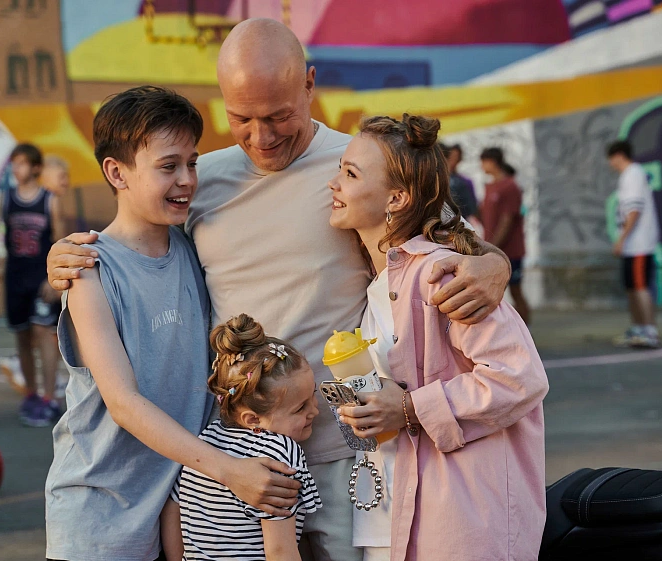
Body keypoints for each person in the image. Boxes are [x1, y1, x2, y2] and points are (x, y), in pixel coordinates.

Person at [46, 18, 512, 561]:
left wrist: (496, 266)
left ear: (309, 84)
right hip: (236, 461)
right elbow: (138, 231)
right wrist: (66, 257)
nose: (261, 136)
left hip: (343, 448)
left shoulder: (360, 169)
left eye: (278, 116)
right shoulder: (200, 179)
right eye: (241, 118)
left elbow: (458, 240)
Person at [44, 86, 303, 561]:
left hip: (180, 512)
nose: (186, 180)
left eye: (192, 163)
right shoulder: (87, 270)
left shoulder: (191, 246)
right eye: (168, 167)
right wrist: (230, 471)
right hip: (101, 517)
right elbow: (123, 404)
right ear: (116, 172)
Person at [330, 113, 549, 560]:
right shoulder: (380, 281)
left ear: (397, 197)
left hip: (457, 523)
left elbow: (518, 377)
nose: (333, 184)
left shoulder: (440, 275)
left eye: (350, 174)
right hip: (387, 519)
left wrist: (410, 408)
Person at [165, 314, 322, 561]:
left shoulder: (204, 442)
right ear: (252, 419)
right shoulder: (279, 451)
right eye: (300, 408)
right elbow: (280, 551)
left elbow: (173, 509)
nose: (315, 411)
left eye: (313, 395)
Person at [0, 143, 65, 427]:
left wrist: (55, 279)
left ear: (36, 167)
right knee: (22, 337)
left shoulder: (49, 200)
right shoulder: (5, 199)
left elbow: (60, 241)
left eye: (21, 163)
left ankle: (50, 398)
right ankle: (31, 394)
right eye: (14, 164)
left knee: (45, 334)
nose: (16, 169)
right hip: (15, 279)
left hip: (41, 281)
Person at [606, 140, 661, 348]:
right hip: (632, 245)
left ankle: (650, 331)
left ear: (619, 155)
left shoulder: (633, 174)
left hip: (639, 244)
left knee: (640, 287)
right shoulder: (628, 175)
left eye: (611, 158)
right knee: (632, 288)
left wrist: (622, 239)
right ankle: (638, 328)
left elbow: (634, 210)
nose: (610, 163)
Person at [480, 147, 530, 324]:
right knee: (490, 291)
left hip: (510, 251)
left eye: (483, 162)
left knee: (515, 290)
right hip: (492, 250)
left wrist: (492, 246)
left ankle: (526, 330)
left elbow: (507, 220)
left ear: (492, 162)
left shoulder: (510, 186)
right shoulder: (490, 186)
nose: (481, 166)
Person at [441, 143, 480, 224]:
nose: (453, 160)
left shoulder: (464, 182)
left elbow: (471, 208)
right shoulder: (435, 180)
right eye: (451, 156)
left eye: (456, 157)